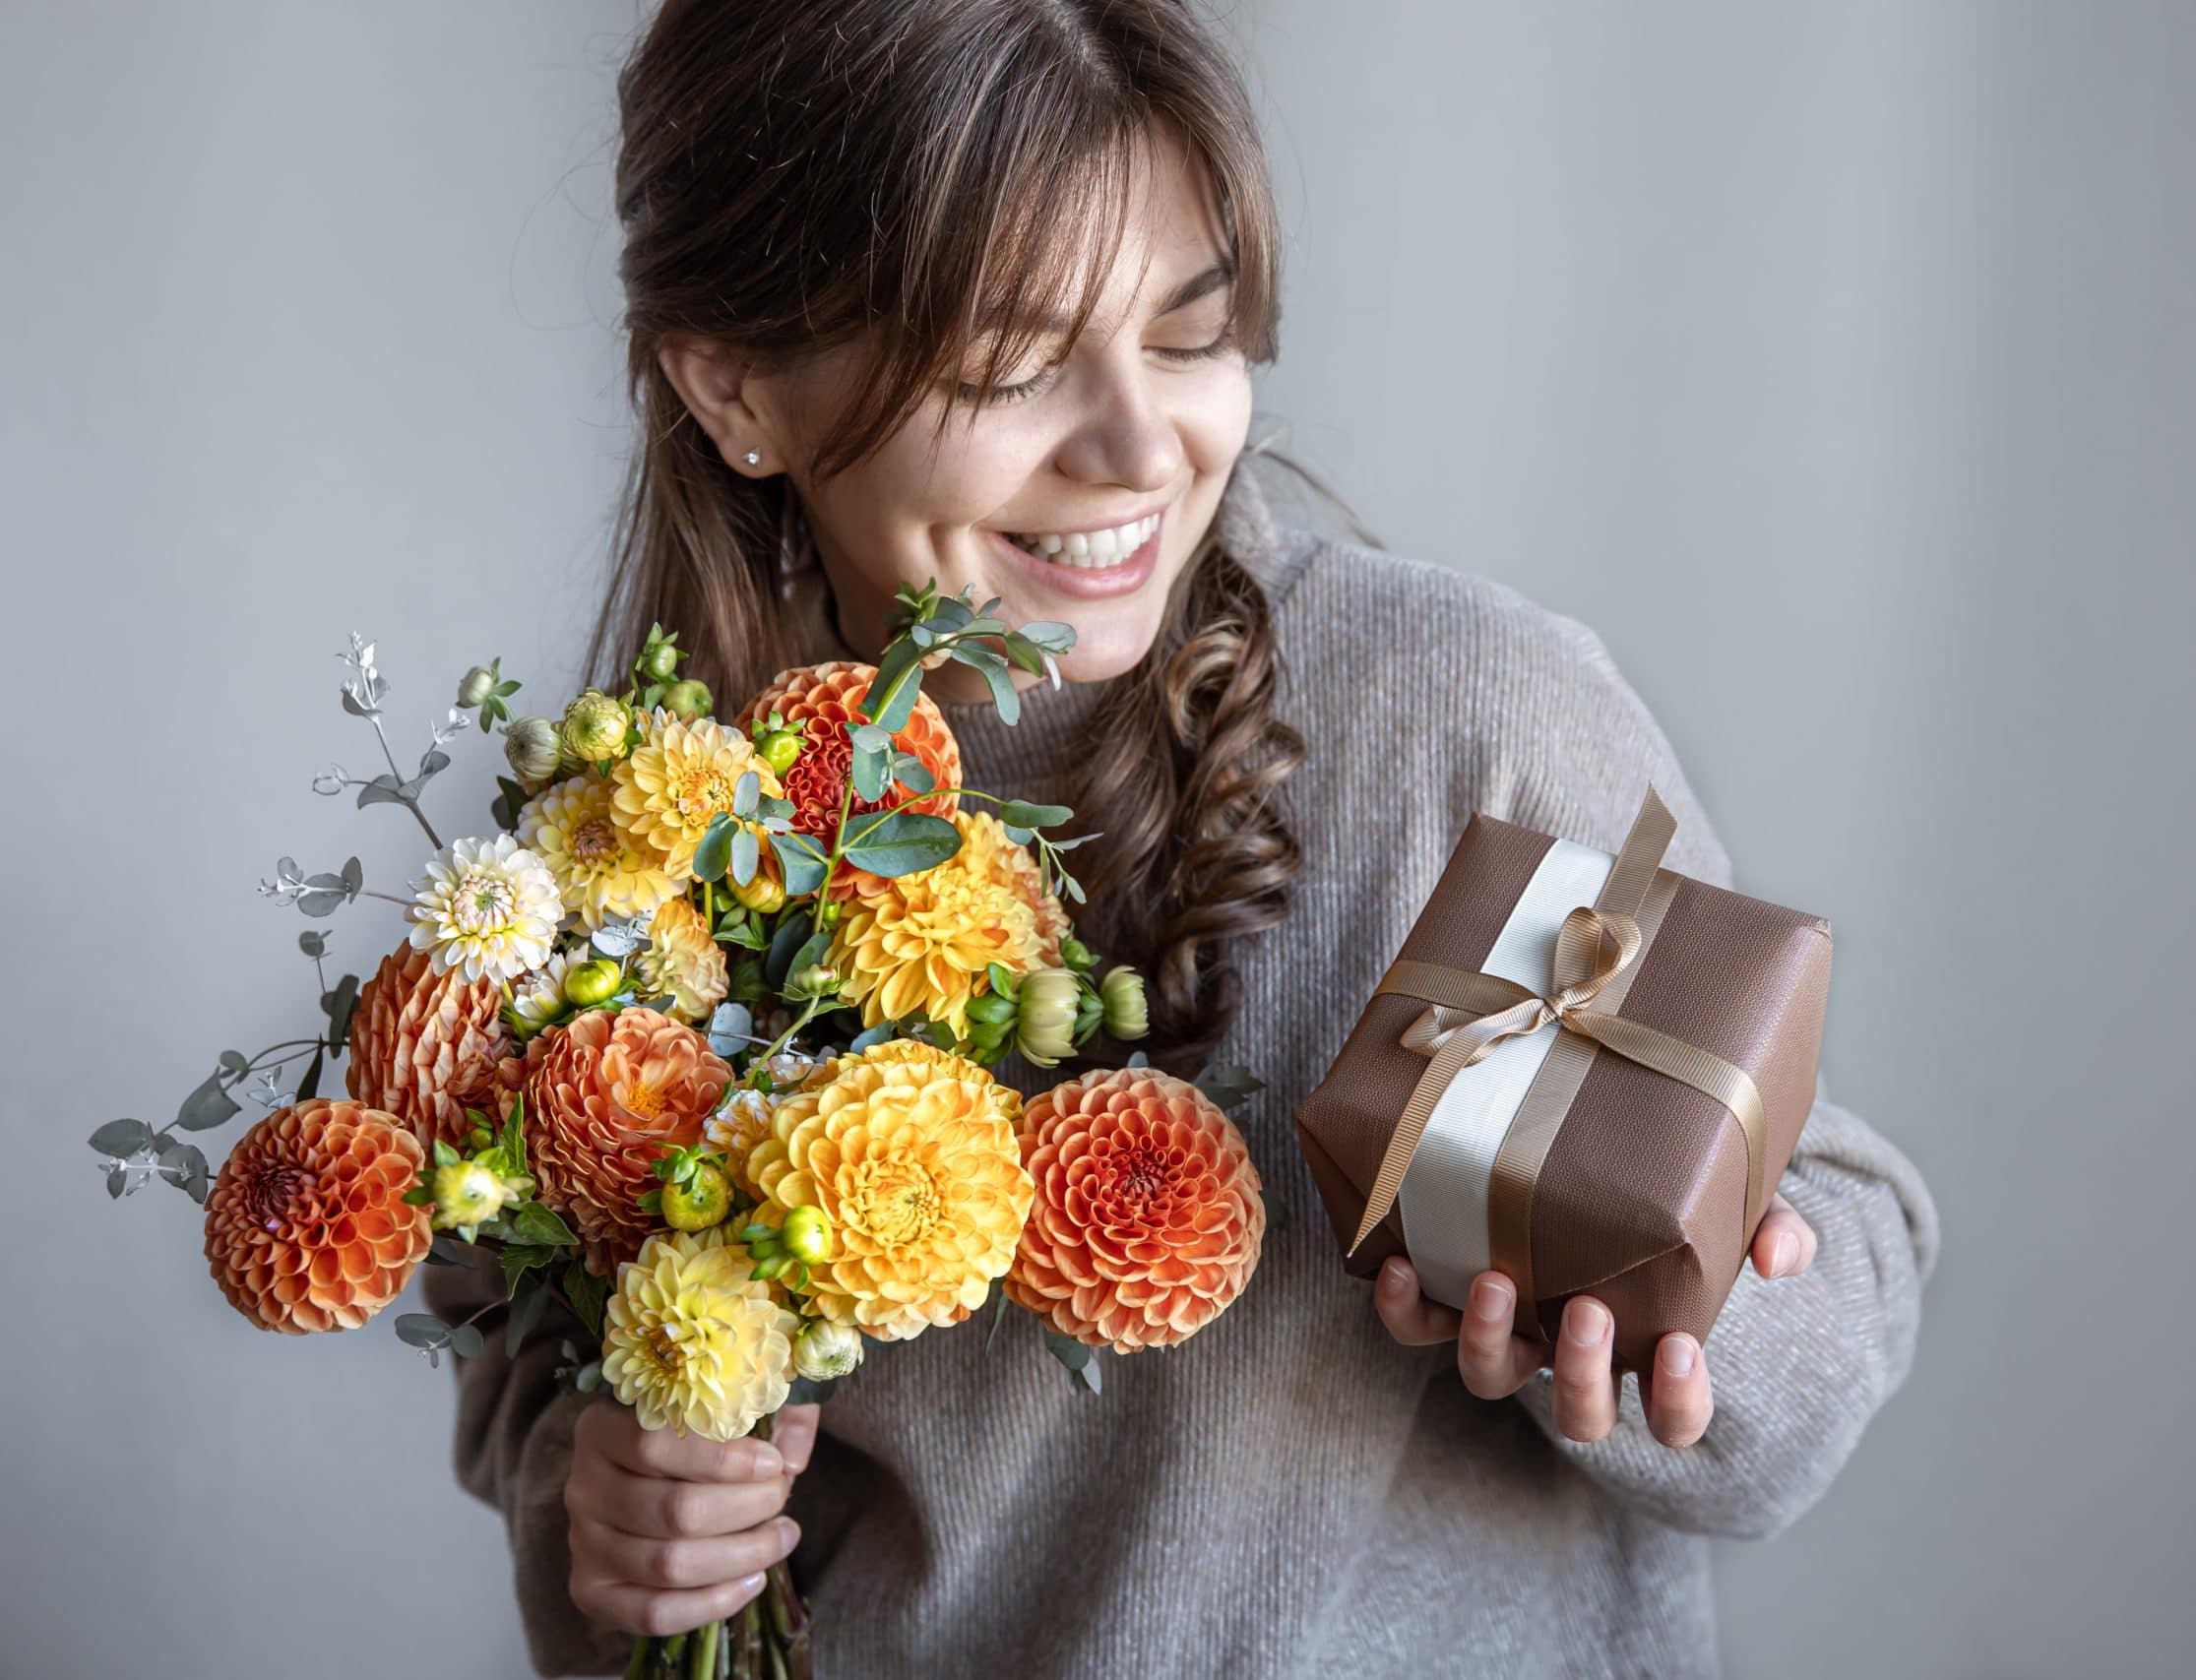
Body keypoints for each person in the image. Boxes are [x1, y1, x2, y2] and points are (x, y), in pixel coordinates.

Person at [424, 2, 1941, 1673]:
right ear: (735, 390)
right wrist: (600, 1489)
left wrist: (1695, 1319)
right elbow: (520, 1336)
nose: (1142, 449)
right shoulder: (641, 832)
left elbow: (1827, 1325)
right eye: (1008, 362)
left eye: (1189, 336)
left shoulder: (1459, 721)